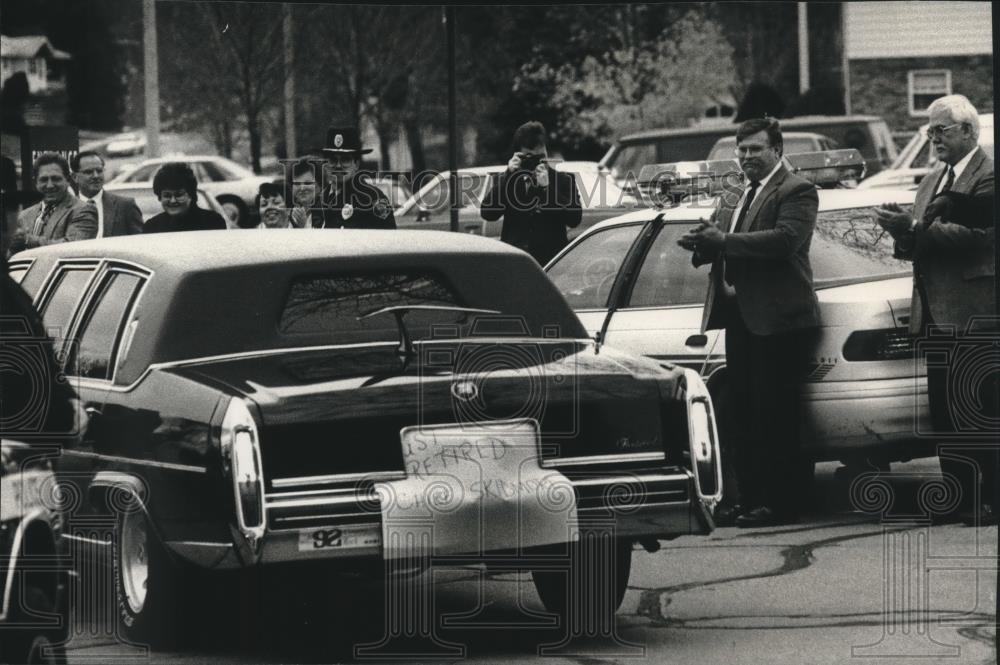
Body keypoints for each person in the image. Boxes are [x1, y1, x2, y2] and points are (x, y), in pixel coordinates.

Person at [677, 117, 820, 528]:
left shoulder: (797, 190)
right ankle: (751, 498)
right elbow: (726, 239)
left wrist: (725, 241)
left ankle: (781, 503)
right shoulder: (738, 193)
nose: (746, 157)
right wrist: (704, 244)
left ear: (777, 150)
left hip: (780, 320)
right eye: (741, 150)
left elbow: (785, 241)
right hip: (741, 317)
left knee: (775, 414)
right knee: (744, 413)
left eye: (755, 149)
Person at [875, 94, 997, 526]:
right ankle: (957, 496)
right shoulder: (929, 181)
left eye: (940, 129)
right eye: (929, 130)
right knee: (944, 411)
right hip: (934, 312)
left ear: (967, 130)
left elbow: (979, 237)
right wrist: (902, 232)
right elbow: (916, 245)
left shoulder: (988, 176)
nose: (933, 138)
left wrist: (915, 230)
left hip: (973, 310)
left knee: (978, 408)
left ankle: (989, 500)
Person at [480, 121, 582, 265]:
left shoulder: (564, 180)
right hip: (516, 262)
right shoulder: (508, 179)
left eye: (540, 156)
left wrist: (547, 189)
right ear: (518, 155)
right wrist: (509, 175)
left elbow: (574, 218)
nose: (536, 162)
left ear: (546, 152)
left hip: (551, 263)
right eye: (529, 157)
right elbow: (488, 213)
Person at [9, 152, 97, 254]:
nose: (50, 185)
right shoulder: (24, 215)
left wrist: (27, 240)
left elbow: (73, 248)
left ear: (68, 180)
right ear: (36, 183)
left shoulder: (84, 210)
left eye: (56, 179)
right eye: (44, 180)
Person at [318, 127, 396, 230]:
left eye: (345, 160)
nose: (338, 166)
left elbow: (388, 241)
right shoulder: (320, 198)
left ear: (356, 164)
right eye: (333, 160)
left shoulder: (372, 199)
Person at [71, 150, 143, 237]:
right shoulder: (67, 209)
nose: (96, 176)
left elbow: (139, 241)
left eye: (99, 171)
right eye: (89, 172)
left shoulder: (125, 206)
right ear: (75, 177)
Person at [143, 162, 228, 233]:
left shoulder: (213, 221)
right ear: (160, 197)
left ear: (191, 194)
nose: (173, 201)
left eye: (179, 195)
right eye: (167, 195)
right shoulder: (152, 226)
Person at [288, 158, 323, 229]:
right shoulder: (288, 212)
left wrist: (304, 226)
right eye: (297, 184)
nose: (302, 188)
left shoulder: (327, 212)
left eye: (308, 183)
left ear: (320, 185)